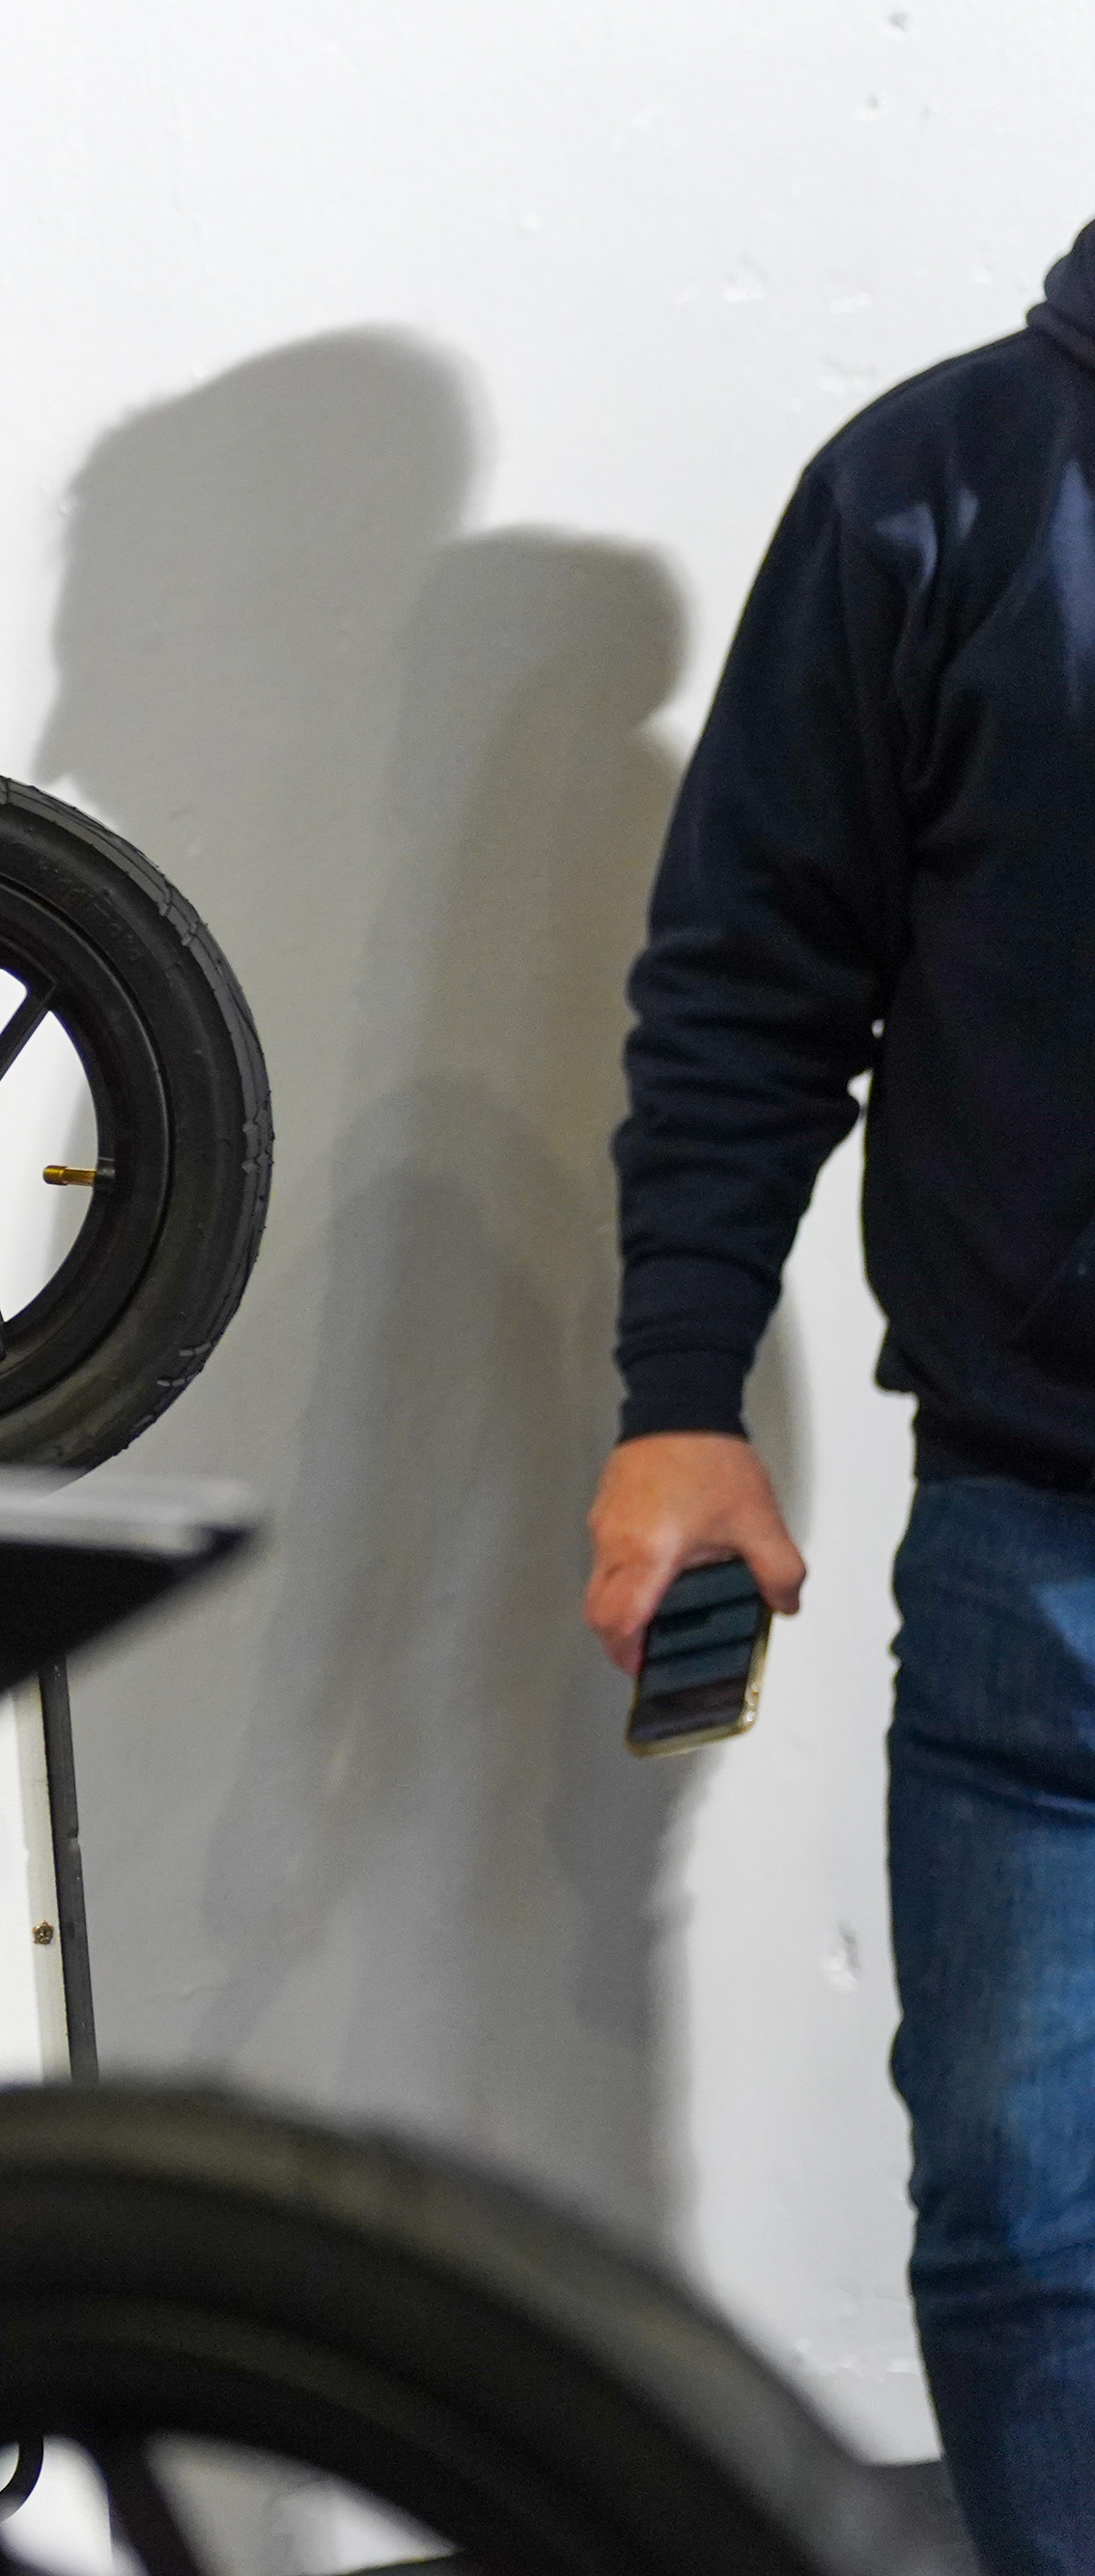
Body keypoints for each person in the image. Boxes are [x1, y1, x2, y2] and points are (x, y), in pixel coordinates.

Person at [583, 219, 1095, 2576]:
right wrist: (676, 1395)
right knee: (1021, 2220)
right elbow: (750, 980)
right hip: (1037, 1546)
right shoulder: (933, 484)